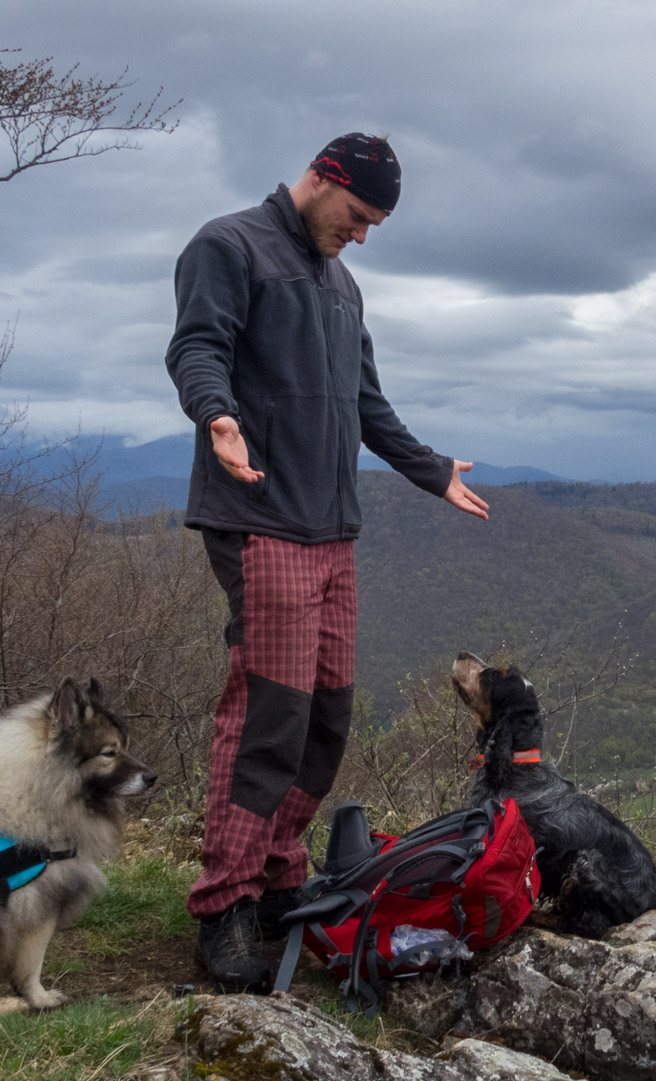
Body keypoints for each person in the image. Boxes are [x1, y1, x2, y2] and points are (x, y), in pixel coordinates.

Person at [165, 133, 490, 992]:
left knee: (326, 716)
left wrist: (430, 471)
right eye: (357, 215)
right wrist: (216, 415)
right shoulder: (229, 245)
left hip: (331, 530)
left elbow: (366, 404)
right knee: (268, 714)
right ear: (321, 179)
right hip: (261, 516)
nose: (362, 235)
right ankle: (224, 903)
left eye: (375, 223)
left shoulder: (342, 284)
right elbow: (196, 345)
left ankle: (276, 875)